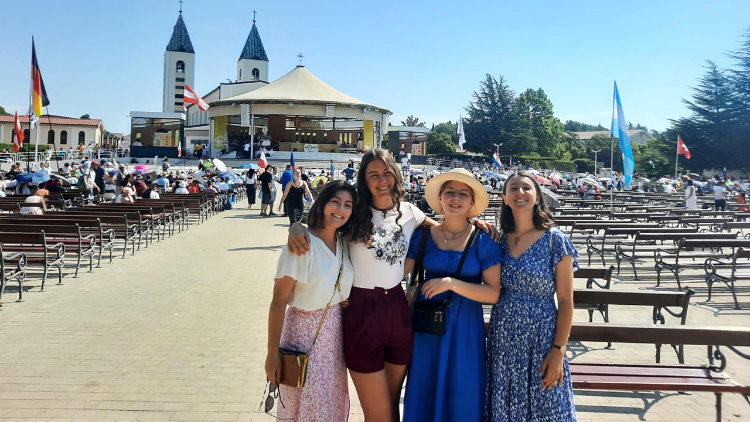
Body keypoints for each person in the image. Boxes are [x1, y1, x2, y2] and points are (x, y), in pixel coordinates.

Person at [287, 149, 437, 421]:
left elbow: (444, 229)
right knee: (378, 413)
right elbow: (320, 225)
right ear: (364, 180)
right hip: (360, 310)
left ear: (396, 173)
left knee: (391, 406)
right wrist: (295, 227)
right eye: (374, 175)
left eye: (387, 172)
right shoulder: (354, 213)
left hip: (397, 308)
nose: (382, 180)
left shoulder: (409, 211)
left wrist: (477, 224)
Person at [401, 169, 502, 421]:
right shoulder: (423, 235)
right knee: (425, 383)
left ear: (471, 202)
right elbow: (393, 272)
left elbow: (493, 293)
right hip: (427, 324)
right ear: (441, 197)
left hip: (465, 327)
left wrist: (450, 283)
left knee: (463, 388)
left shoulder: (483, 239)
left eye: (462, 194)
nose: (455, 198)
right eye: (450, 193)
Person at [485, 171, 577, 421]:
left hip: (543, 338)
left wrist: (558, 350)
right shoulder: (500, 241)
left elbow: (567, 301)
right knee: (506, 404)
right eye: (513, 189)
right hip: (504, 338)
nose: (520, 193)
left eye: (526, 188)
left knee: (547, 405)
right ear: (504, 198)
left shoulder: (555, 240)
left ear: (537, 197)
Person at [265, 181, 357, 421]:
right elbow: (278, 302)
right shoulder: (302, 245)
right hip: (303, 336)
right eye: (335, 202)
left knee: (330, 404)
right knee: (305, 406)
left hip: (334, 337)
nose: (341, 209)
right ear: (322, 202)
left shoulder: (344, 243)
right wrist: (271, 354)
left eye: (348, 205)